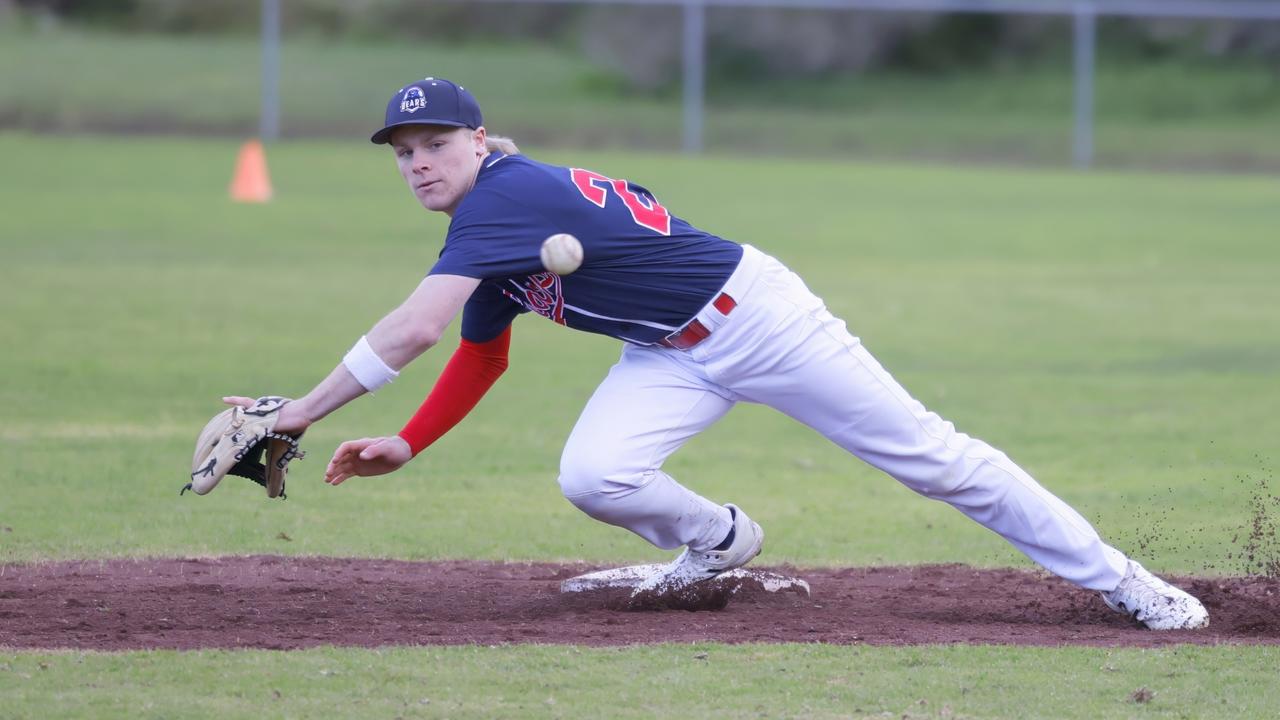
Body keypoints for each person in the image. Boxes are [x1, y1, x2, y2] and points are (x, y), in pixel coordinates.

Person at [226, 76, 1208, 629]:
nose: (417, 164)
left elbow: (414, 328)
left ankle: (1123, 580)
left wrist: (301, 412)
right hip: (668, 351)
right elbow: (478, 352)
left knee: (931, 460)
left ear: (479, 142)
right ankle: (717, 542)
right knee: (595, 475)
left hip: (757, 317)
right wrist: (410, 440)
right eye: (401, 153)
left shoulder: (504, 199)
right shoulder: (487, 228)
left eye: (432, 143)